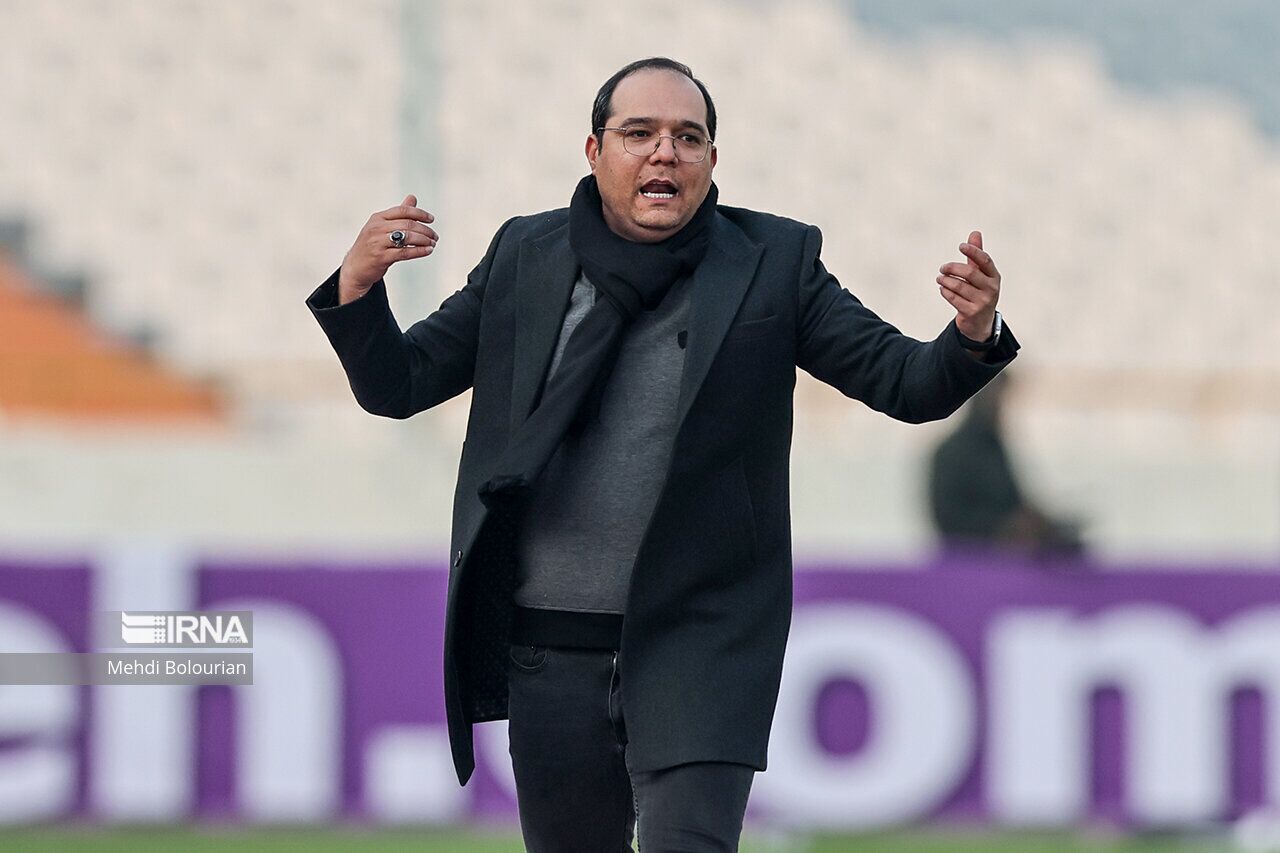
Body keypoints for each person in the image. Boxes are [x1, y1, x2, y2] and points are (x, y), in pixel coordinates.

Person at [307, 57, 1019, 852]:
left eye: (688, 137)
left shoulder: (774, 261)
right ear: (594, 151)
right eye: (639, 133)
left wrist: (972, 334)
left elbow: (905, 382)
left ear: (712, 158)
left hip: (701, 642)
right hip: (550, 648)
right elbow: (400, 383)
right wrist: (357, 287)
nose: (664, 152)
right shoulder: (524, 254)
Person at [927, 371, 1085, 559]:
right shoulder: (952, 451)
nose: (1002, 406)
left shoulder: (995, 445)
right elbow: (948, 518)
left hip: (1008, 549)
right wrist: (1006, 526)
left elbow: (1013, 499)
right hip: (974, 556)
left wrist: (1034, 519)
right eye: (998, 396)